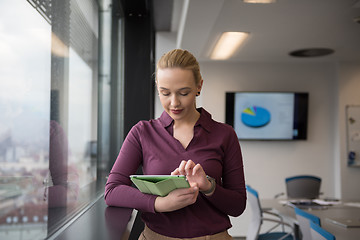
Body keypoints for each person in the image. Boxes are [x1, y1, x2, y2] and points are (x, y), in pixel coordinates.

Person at [105, 49, 246, 239]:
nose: (174, 103)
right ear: (157, 88)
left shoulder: (225, 135)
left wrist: (208, 187)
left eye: (184, 93)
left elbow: (238, 206)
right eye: (165, 93)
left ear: (199, 86)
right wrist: (159, 203)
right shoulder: (142, 132)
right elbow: (112, 190)